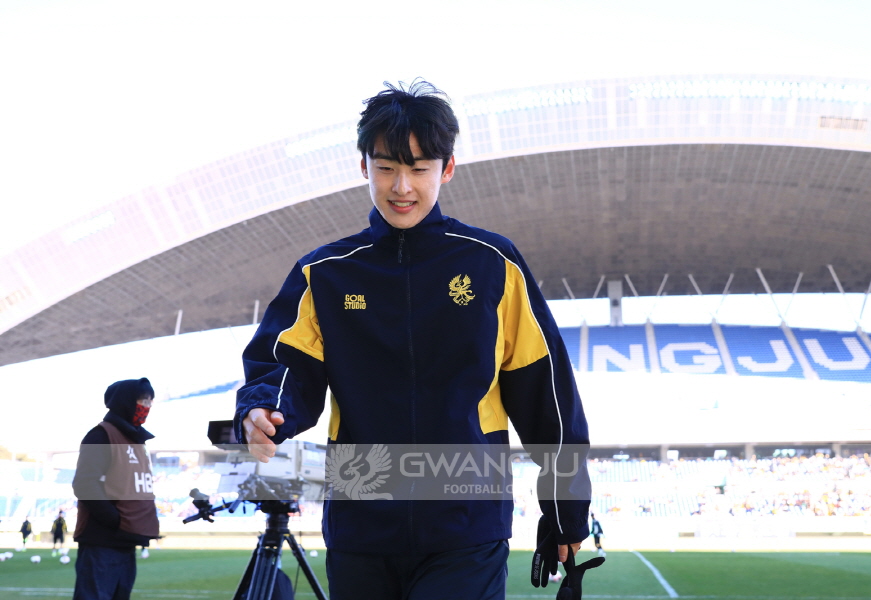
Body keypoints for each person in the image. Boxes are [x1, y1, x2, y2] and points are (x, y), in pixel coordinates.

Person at [235, 80, 592, 599]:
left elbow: (547, 396)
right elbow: (285, 365)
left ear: (447, 169)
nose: (401, 186)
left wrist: (566, 507)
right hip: (360, 526)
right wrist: (264, 409)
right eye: (386, 168)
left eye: (419, 169)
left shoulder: (493, 264)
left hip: (466, 525)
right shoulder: (325, 272)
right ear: (364, 167)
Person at [72, 377, 160, 600]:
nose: (146, 406)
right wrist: (116, 520)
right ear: (125, 401)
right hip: (102, 542)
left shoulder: (136, 439)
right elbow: (85, 484)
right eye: (142, 400)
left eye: (150, 401)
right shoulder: (100, 435)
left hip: (126, 541)